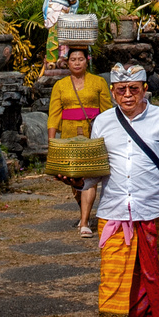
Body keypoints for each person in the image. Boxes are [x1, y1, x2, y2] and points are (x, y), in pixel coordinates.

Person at [57, 63, 159, 317]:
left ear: (145, 89)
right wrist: (79, 181)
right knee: (112, 275)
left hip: (153, 210)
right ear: (113, 92)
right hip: (114, 212)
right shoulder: (104, 122)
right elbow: (96, 172)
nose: (128, 95)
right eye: (121, 90)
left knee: (152, 272)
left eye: (134, 88)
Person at [47, 48, 112, 237]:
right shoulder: (60, 86)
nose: (77, 63)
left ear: (87, 61)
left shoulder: (99, 82)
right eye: (73, 59)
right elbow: (54, 114)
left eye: (80, 59)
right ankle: (85, 212)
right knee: (73, 179)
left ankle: (84, 222)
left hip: (92, 136)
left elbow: (108, 113)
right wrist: (52, 142)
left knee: (88, 179)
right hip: (68, 137)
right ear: (67, 62)